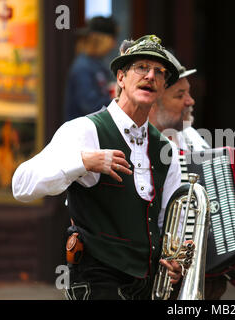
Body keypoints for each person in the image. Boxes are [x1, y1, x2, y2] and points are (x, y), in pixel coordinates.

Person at [12, 35, 184, 300]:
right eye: (141, 67)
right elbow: (21, 185)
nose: (150, 75)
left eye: (159, 72)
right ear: (121, 78)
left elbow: (167, 222)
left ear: (162, 87)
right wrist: (83, 162)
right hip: (97, 279)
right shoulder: (85, 129)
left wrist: (174, 260)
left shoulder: (165, 149)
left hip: (147, 283)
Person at [148, 50, 235, 299]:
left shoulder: (192, 137)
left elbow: (228, 199)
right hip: (158, 278)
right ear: (152, 101)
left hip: (208, 279)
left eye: (189, 93)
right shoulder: (140, 144)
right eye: (180, 95)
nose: (190, 101)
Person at [64, 16, 118, 121]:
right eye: (113, 39)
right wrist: (120, 101)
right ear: (103, 40)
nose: (114, 45)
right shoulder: (83, 67)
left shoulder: (96, 63)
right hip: (82, 132)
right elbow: (90, 106)